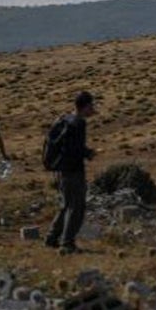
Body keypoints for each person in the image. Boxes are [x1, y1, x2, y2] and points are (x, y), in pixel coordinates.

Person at [45, 91, 97, 255]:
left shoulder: (65, 119)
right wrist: (88, 153)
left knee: (65, 205)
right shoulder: (79, 123)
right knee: (77, 207)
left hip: (62, 169)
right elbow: (75, 148)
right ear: (86, 106)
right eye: (91, 106)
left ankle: (52, 237)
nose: (93, 109)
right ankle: (67, 244)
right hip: (74, 170)